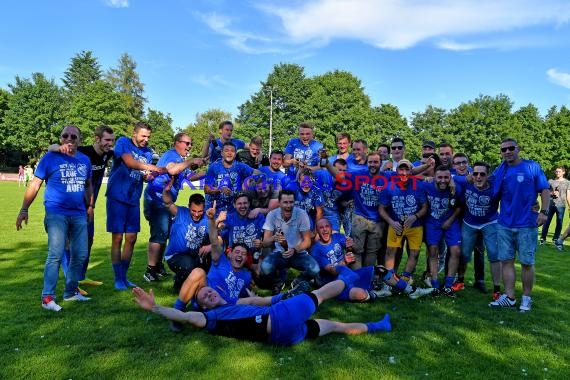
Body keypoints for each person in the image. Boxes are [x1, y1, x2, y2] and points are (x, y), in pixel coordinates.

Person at [133, 275, 392, 346]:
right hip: (279, 319)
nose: (210, 293)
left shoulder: (237, 303)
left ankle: (380, 326)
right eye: (205, 297)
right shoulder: (208, 318)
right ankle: (358, 274)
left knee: (334, 326)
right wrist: (154, 307)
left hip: (284, 337)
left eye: (210, 290)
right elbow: (183, 315)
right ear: (204, 306)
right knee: (321, 293)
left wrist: (283, 296)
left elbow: (263, 301)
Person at [16, 125, 93, 311]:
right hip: (56, 213)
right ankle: (47, 298)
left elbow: (88, 185)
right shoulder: (50, 157)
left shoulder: (85, 160)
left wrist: (91, 206)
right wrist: (24, 209)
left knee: (81, 254)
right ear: (60, 138)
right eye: (65, 135)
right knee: (55, 254)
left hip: (79, 214)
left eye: (73, 136)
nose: (69, 138)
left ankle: (71, 292)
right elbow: (35, 185)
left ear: (79, 140)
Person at [48, 125, 116, 290]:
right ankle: (71, 282)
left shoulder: (108, 154)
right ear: (97, 139)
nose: (110, 143)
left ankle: (80, 276)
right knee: (68, 244)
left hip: (89, 207)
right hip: (71, 207)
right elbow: (51, 148)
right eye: (107, 140)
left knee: (88, 240)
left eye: (112, 140)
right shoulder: (84, 152)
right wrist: (59, 147)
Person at [489, 138, 549, 312]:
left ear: (518, 149)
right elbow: (488, 186)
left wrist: (544, 211)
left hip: (527, 224)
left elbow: (544, 189)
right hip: (504, 224)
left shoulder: (532, 167)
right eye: (503, 149)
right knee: (506, 262)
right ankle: (509, 297)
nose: (507, 152)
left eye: (510, 148)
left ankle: (526, 298)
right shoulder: (500, 170)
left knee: (527, 263)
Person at [106, 122, 163, 290]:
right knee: (117, 238)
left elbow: (141, 173)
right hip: (117, 196)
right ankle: (118, 278)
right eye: (143, 136)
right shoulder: (123, 142)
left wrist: (148, 176)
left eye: (148, 137)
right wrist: (153, 167)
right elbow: (130, 163)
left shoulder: (147, 152)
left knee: (131, 238)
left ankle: (124, 277)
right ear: (134, 134)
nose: (146, 139)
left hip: (133, 199)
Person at [143, 133, 205, 282]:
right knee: (159, 234)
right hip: (157, 199)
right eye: (187, 143)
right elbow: (172, 170)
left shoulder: (179, 160)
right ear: (177, 142)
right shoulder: (172, 155)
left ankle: (157, 266)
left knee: (164, 233)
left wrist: (209, 173)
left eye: (190, 144)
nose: (189, 147)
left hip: (163, 200)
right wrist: (191, 161)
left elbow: (188, 177)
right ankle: (150, 270)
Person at [454, 161, 502, 301]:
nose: (479, 177)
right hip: (469, 223)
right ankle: (460, 281)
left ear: (488, 175)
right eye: (475, 173)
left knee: (494, 254)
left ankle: (497, 289)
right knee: (464, 254)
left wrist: (534, 205)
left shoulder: (495, 186)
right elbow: (449, 177)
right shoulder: (466, 182)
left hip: (490, 223)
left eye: (482, 174)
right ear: (471, 174)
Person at [379, 160, 428, 287]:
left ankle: (405, 280)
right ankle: (389, 283)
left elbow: (425, 207)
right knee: (390, 252)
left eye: (407, 170)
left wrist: (415, 216)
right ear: (396, 171)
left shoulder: (419, 185)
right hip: (396, 224)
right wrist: (391, 222)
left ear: (411, 171)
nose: (404, 173)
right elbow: (381, 208)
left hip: (415, 226)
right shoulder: (389, 186)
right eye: (401, 169)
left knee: (415, 253)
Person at [260, 189, 320, 294]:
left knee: (315, 269)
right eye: (285, 202)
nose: (289, 205)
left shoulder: (301, 214)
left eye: (291, 202)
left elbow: (307, 241)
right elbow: (265, 242)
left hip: (298, 253)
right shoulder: (272, 215)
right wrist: (274, 237)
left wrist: (294, 249)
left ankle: (298, 281)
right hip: (280, 253)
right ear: (279, 203)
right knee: (265, 267)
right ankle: (278, 282)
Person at [163, 184, 213, 291]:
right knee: (190, 267)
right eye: (193, 210)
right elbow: (168, 203)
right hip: (175, 255)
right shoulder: (181, 212)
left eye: (199, 211)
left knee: (207, 265)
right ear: (189, 206)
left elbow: (218, 239)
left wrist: (210, 246)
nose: (196, 214)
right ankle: (178, 283)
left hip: (193, 254)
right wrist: (166, 191)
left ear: (204, 208)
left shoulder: (207, 218)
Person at [424, 166, 463, 297]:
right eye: (440, 177)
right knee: (433, 250)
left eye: (446, 177)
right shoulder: (427, 185)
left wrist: (449, 220)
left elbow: (459, 207)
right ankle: (435, 283)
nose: (443, 180)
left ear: (450, 177)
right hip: (432, 222)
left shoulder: (456, 188)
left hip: (450, 222)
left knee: (456, 251)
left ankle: (448, 285)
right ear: (435, 177)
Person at [204, 141, 260, 216]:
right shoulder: (213, 167)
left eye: (232, 151)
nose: (229, 153)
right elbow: (206, 189)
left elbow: (260, 174)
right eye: (226, 151)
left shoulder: (240, 166)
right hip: (216, 209)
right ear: (221, 153)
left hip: (235, 209)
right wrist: (220, 189)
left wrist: (248, 179)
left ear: (235, 153)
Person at [540, 166, 570, 245]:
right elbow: (544, 192)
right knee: (546, 221)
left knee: (559, 223)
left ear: (563, 172)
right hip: (550, 204)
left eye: (559, 171)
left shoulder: (567, 182)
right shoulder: (550, 181)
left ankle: (555, 239)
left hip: (561, 205)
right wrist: (552, 193)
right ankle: (543, 238)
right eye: (556, 171)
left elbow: (568, 195)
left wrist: (569, 206)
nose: (557, 173)